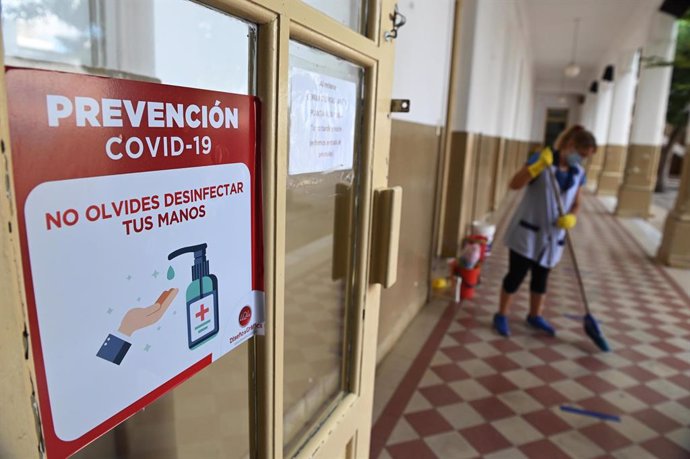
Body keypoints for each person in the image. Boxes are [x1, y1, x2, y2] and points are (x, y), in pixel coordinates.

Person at [493, 125, 597, 337]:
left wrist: (572, 218)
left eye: (586, 157)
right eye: (582, 154)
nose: (583, 160)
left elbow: (576, 203)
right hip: (527, 232)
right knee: (516, 275)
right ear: (570, 146)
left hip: (553, 236)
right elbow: (514, 184)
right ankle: (501, 314)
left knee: (541, 278)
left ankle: (535, 315)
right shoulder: (543, 160)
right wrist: (536, 167)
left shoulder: (578, 173)